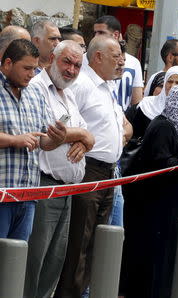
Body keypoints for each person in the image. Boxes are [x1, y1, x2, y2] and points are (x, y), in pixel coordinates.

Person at [54, 36, 131, 298]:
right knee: (79, 244)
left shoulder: (106, 87)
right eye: (115, 56)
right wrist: (82, 139)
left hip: (109, 173)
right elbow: (62, 121)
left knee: (97, 245)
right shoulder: (83, 84)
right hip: (89, 171)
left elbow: (122, 123)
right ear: (97, 57)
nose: (120, 60)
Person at [24, 40, 95, 298]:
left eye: (77, 65)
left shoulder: (69, 94)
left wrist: (84, 137)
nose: (72, 70)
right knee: (34, 264)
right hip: (44, 187)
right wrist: (82, 135)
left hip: (67, 190)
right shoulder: (37, 87)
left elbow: (86, 135)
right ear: (52, 57)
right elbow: (49, 133)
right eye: (67, 62)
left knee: (54, 265)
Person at [120, 85, 178, 297]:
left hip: (169, 200)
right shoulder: (163, 127)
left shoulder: (174, 126)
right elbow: (160, 163)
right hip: (158, 202)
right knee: (157, 251)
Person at [0, 39, 67, 241]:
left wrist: (57, 138)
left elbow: (42, 141)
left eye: (35, 69)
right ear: (8, 63)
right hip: (3, 194)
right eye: (27, 68)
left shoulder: (35, 93)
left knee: (16, 263)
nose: (32, 74)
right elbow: (22, 140)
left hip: (28, 196)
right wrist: (15, 140)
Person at [91, 15, 144, 108]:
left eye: (101, 32)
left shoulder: (134, 63)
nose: (96, 36)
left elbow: (137, 102)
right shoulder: (85, 59)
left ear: (115, 35)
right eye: (95, 32)